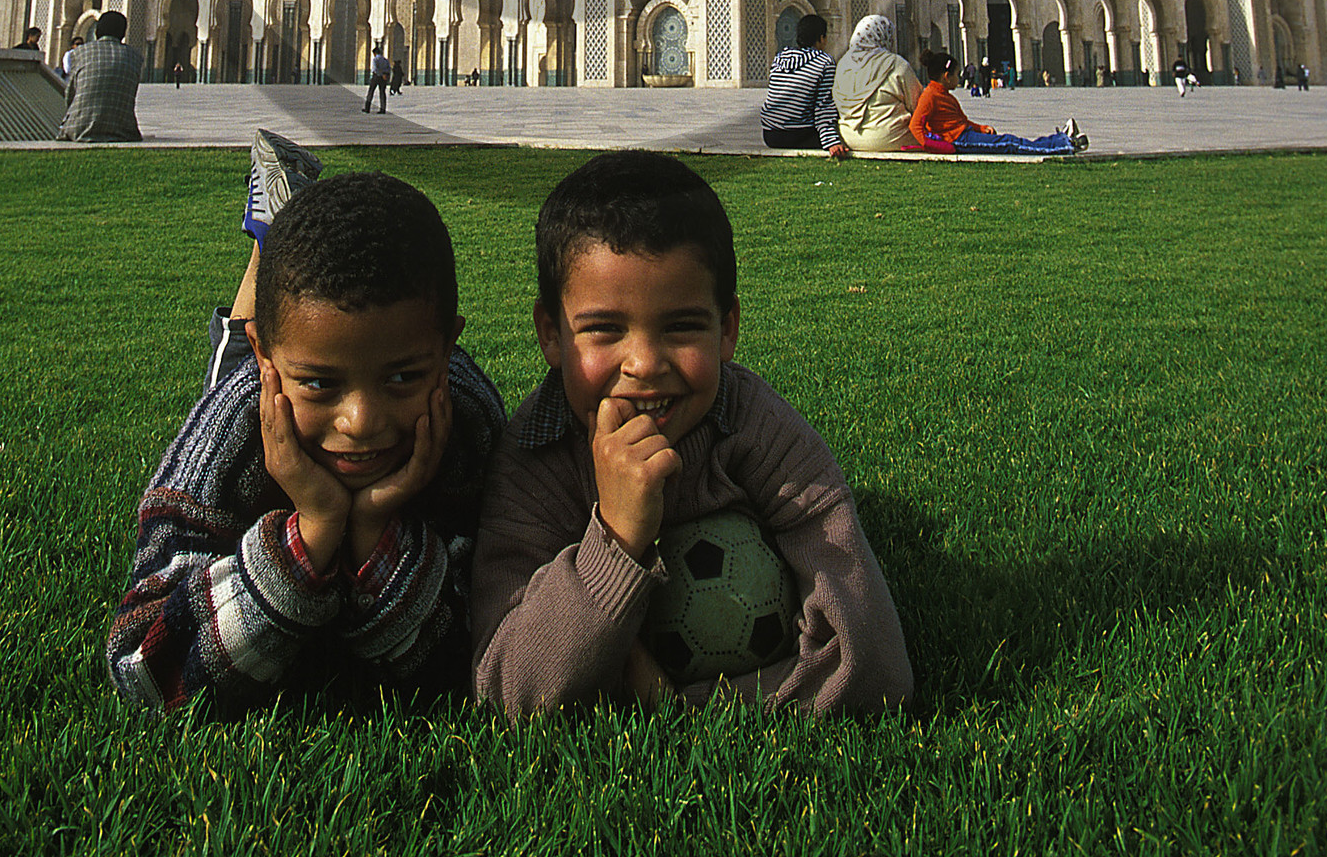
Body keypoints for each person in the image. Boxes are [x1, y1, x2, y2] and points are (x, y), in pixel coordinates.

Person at [471, 151, 913, 718]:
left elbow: (874, 668)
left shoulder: (760, 432)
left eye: (681, 327)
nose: (645, 363)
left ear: (726, 329)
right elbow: (510, 690)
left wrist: (676, 707)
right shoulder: (537, 456)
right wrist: (616, 535)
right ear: (551, 334)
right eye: (604, 329)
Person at [108, 142, 505, 717]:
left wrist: (372, 528)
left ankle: (280, 230)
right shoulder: (233, 428)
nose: (361, 422)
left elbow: (485, 650)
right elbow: (144, 667)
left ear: (448, 348)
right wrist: (312, 533)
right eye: (323, 386)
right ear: (273, 367)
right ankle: (268, 234)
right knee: (238, 350)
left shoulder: (468, 421)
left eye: (401, 377)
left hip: (303, 360)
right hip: (257, 377)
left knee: (298, 340)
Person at [906, 50, 1088, 156]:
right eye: (956, 73)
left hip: (966, 135)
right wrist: (943, 147)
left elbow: (960, 122)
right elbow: (916, 126)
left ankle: (1060, 139)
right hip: (960, 141)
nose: (959, 77)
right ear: (947, 76)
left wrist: (980, 128)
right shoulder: (930, 96)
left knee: (1008, 141)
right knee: (1009, 144)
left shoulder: (943, 94)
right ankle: (1064, 145)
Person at [830, 13, 922, 153]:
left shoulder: (843, 64)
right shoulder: (896, 64)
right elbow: (918, 106)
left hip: (849, 138)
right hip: (892, 139)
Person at [758, 13, 845, 154]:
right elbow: (824, 107)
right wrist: (831, 142)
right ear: (821, 38)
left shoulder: (780, 58)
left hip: (770, 135)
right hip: (798, 134)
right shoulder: (825, 62)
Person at [57, 9, 143, 140]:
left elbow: (70, 95)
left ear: (97, 31)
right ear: (123, 33)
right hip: (122, 132)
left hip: (78, 129)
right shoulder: (135, 57)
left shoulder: (78, 53)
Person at [365, 44, 391, 115]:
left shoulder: (375, 59)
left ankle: (367, 108)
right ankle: (383, 109)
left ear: (375, 53)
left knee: (371, 92)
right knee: (382, 93)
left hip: (376, 77)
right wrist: (385, 75)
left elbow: (375, 69)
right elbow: (389, 68)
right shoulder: (385, 60)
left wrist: (380, 74)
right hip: (383, 78)